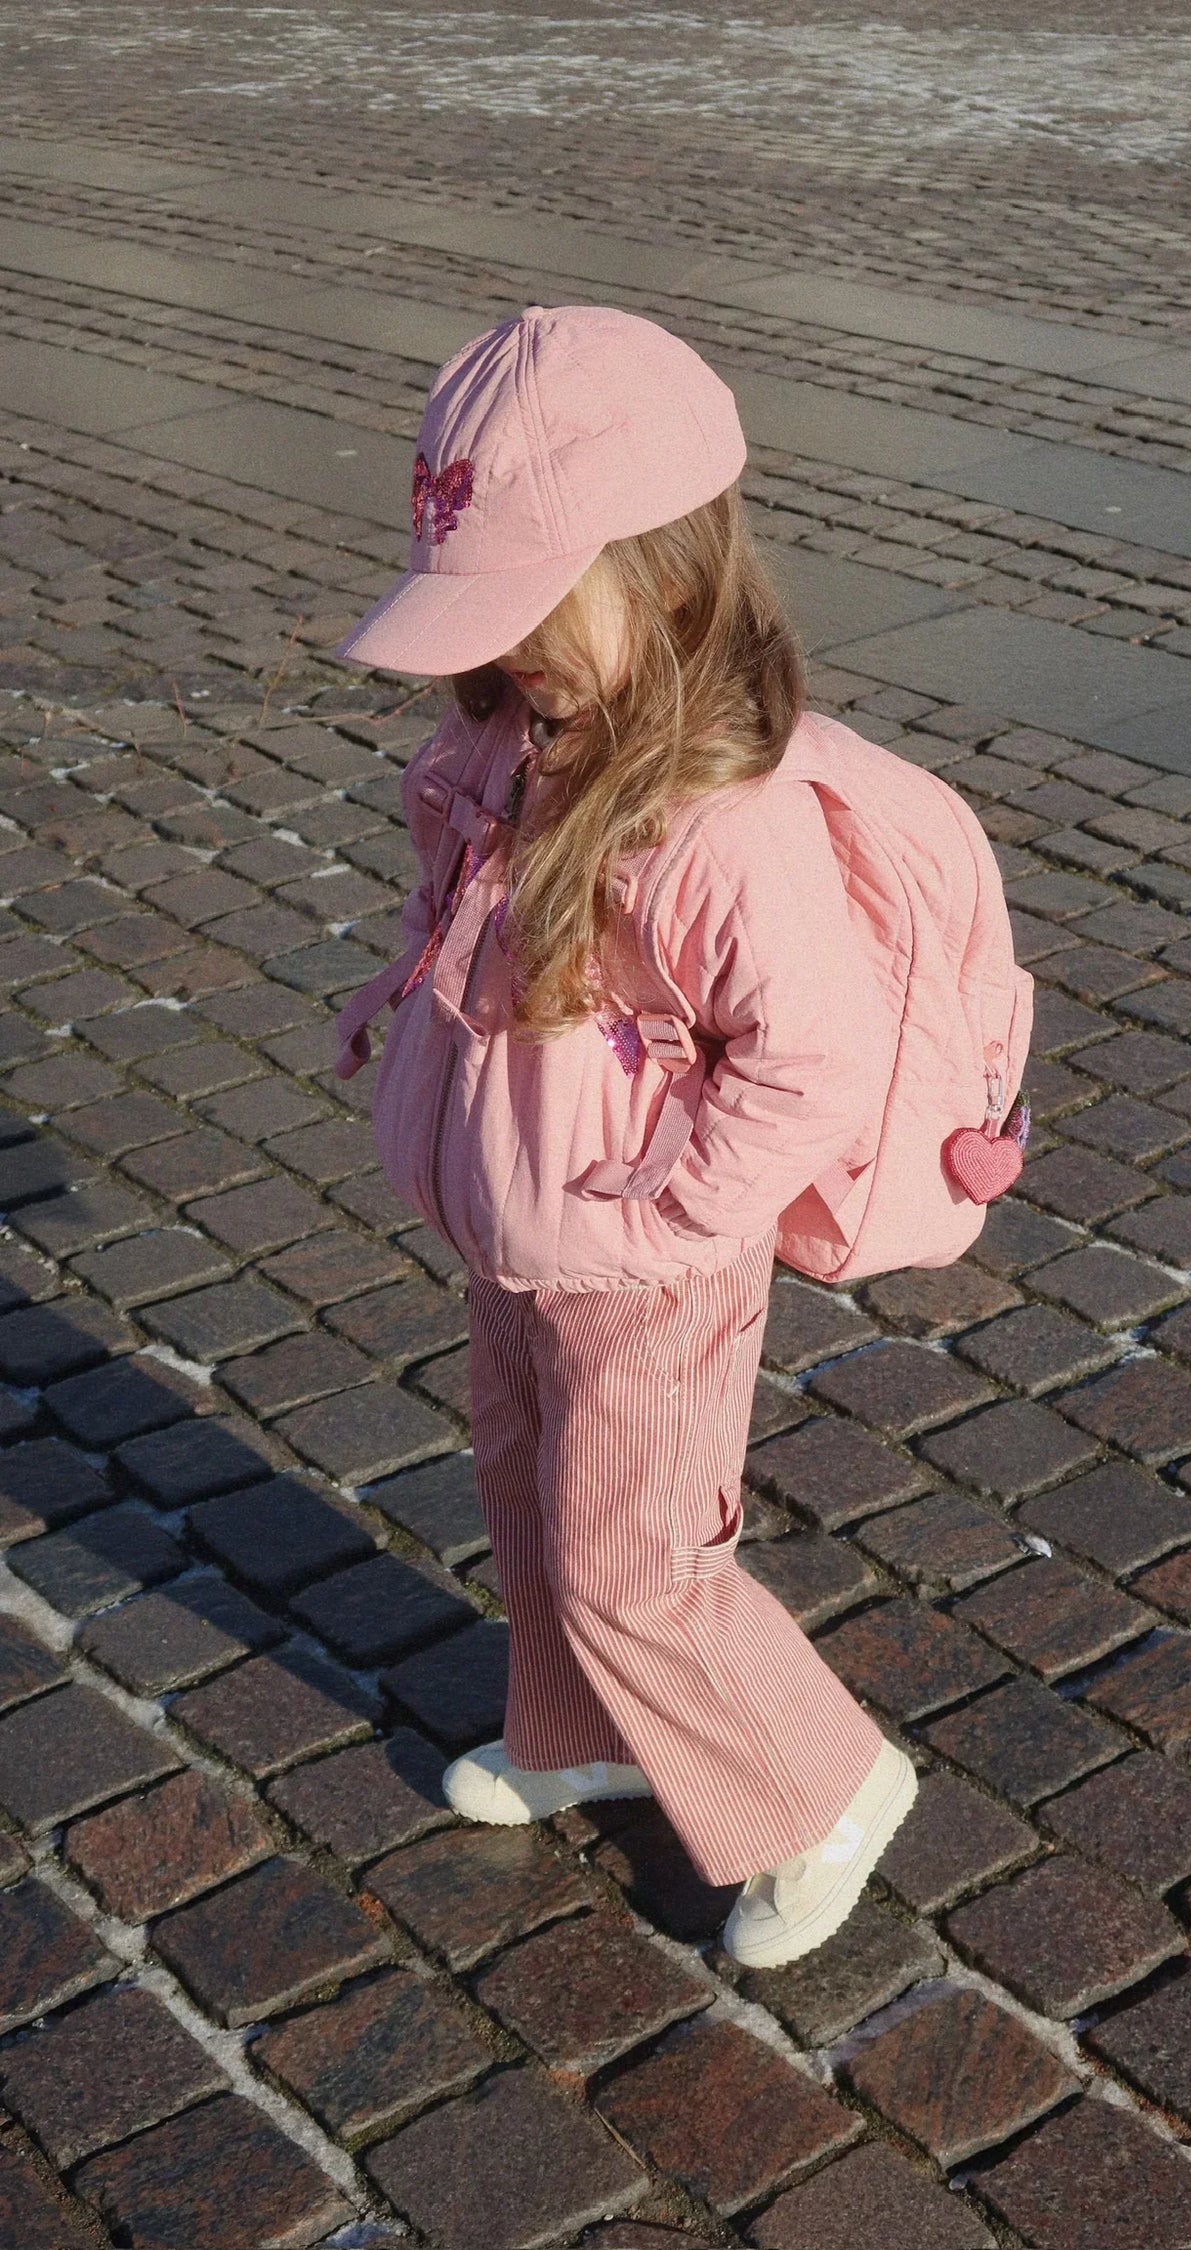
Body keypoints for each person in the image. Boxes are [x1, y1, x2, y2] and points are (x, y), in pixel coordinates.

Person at [333, 303, 924, 1969]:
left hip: (648, 1262)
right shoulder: (527, 740)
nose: (503, 642)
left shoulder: (720, 822)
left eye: (534, 602)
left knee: (635, 1559)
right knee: (526, 1491)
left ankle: (823, 1785)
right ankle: (579, 1726)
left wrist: (675, 1209)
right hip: (527, 1237)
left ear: (666, 575)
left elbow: (808, 1055)